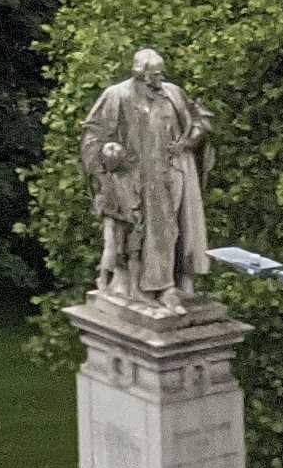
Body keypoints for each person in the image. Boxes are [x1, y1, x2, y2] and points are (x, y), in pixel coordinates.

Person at [79, 46, 210, 309]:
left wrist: (191, 139)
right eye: (153, 76)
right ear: (139, 73)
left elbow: (201, 119)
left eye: (161, 75)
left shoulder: (173, 92)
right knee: (159, 230)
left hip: (176, 171)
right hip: (139, 177)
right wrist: (108, 152)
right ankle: (161, 288)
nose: (159, 81)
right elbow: (92, 135)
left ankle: (179, 280)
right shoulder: (117, 95)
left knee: (180, 230)